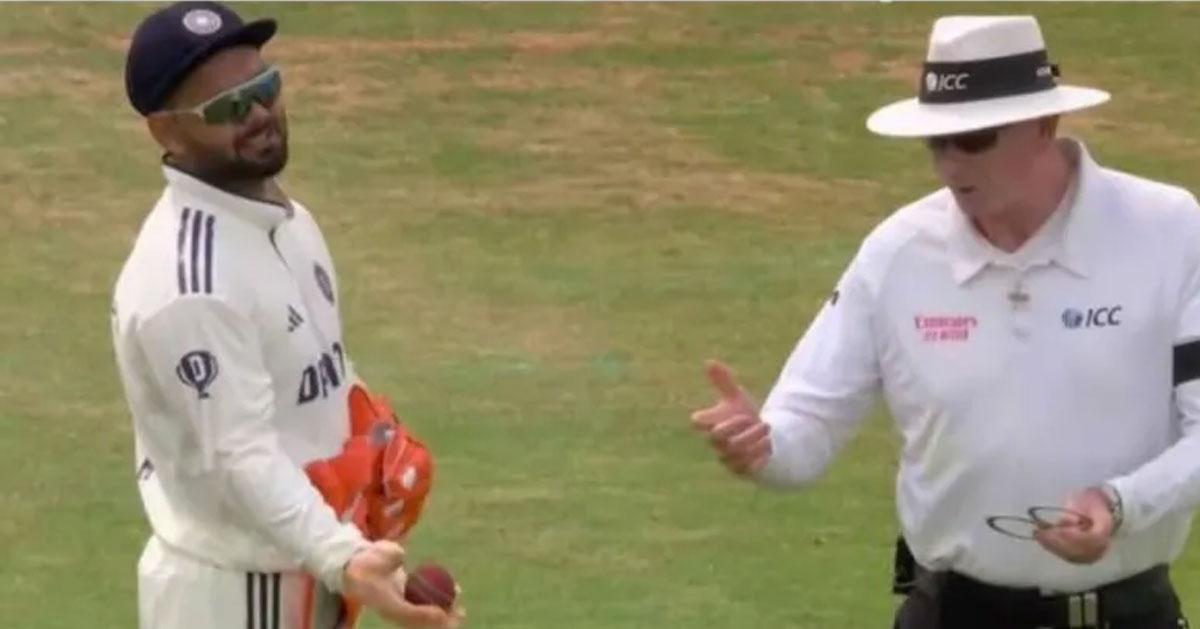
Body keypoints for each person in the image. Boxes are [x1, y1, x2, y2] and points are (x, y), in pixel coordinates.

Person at [691, 15, 1200, 629]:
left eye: (975, 139)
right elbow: (807, 426)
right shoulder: (898, 252)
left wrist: (1122, 505)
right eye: (938, 143)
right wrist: (763, 446)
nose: (952, 164)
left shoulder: (1170, 231)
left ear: (1045, 125)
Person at [110, 3, 463, 628]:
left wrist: (372, 449)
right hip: (233, 597)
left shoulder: (291, 224)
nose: (258, 114)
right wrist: (345, 556)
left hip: (304, 573)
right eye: (227, 107)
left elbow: (321, 372)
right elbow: (242, 458)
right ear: (166, 132)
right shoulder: (190, 286)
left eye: (264, 88)